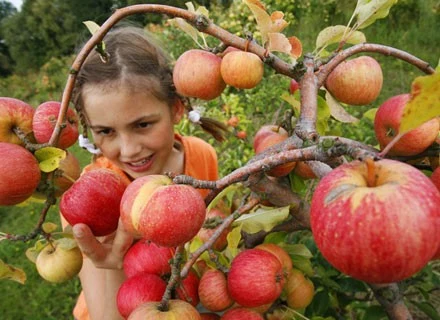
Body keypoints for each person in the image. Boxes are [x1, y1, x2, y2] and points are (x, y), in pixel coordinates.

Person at [62, 26, 224, 320]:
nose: (129, 150)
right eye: (106, 131)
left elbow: (209, 225)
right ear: (89, 128)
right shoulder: (92, 198)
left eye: (142, 125)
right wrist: (111, 264)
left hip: (181, 293)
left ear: (175, 109)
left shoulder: (201, 155)